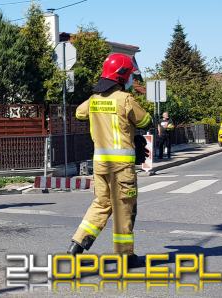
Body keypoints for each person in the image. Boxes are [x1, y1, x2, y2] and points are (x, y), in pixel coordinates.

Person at [67, 53, 152, 263]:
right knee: (124, 208)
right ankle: (126, 257)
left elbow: (79, 113)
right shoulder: (125, 99)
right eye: (130, 75)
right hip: (121, 167)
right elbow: (145, 120)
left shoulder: (94, 100)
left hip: (100, 164)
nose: (131, 79)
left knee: (102, 204)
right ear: (122, 76)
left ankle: (76, 245)